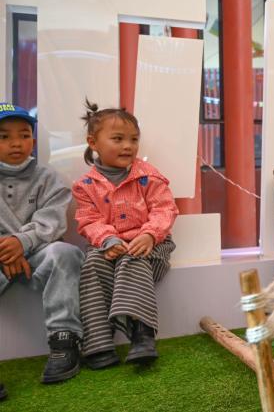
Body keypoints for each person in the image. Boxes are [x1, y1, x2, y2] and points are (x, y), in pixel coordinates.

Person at [74, 101, 178, 369]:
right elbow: (88, 220)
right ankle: (97, 342)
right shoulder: (85, 185)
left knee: (132, 258)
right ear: (93, 142)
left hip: (152, 247)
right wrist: (107, 240)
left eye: (134, 139)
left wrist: (150, 234)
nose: (128, 146)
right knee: (92, 264)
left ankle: (142, 333)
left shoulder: (149, 177)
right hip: (108, 247)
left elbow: (165, 209)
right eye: (118, 139)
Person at [0, 104, 84, 388]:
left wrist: (21, 243)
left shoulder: (48, 178)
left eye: (24, 135)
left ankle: (64, 341)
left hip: (36, 254)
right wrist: (8, 249)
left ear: (33, 141)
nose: (16, 143)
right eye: (4, 136)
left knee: (65, 253)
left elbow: (53, 221)